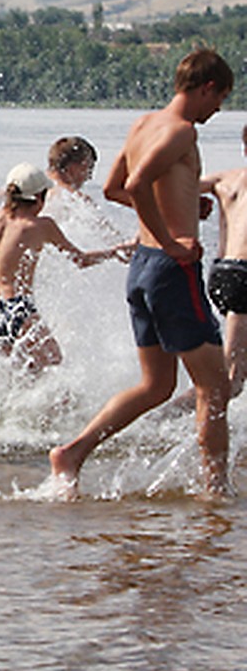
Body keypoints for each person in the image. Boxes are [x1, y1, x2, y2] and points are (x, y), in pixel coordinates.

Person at [49, 49, 235, 498]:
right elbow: (132, 187)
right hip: (172, 269)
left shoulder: (142, 125)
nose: (220, 109)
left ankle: (71, 453)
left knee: (156, 385)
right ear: (206, 87)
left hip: (144, 269)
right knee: (216, 386)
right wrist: (173, 241)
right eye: (221, 97)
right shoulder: (182, 131)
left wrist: (185, 207)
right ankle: (217, 493)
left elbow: (113, 188)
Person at [0, 163, 129, 374]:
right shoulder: (41, 225)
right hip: (17, 307)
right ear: (39, 197)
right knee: (53, 361)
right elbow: (81, 260)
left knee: (18, 371)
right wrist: (115, 252)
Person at [198, 122, 247, 399]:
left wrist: (197, 205)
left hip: (222, 274)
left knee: (238, 370)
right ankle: (154, 426)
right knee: (231, 378)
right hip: (244, 278)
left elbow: (176, 189)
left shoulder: (224, 179)